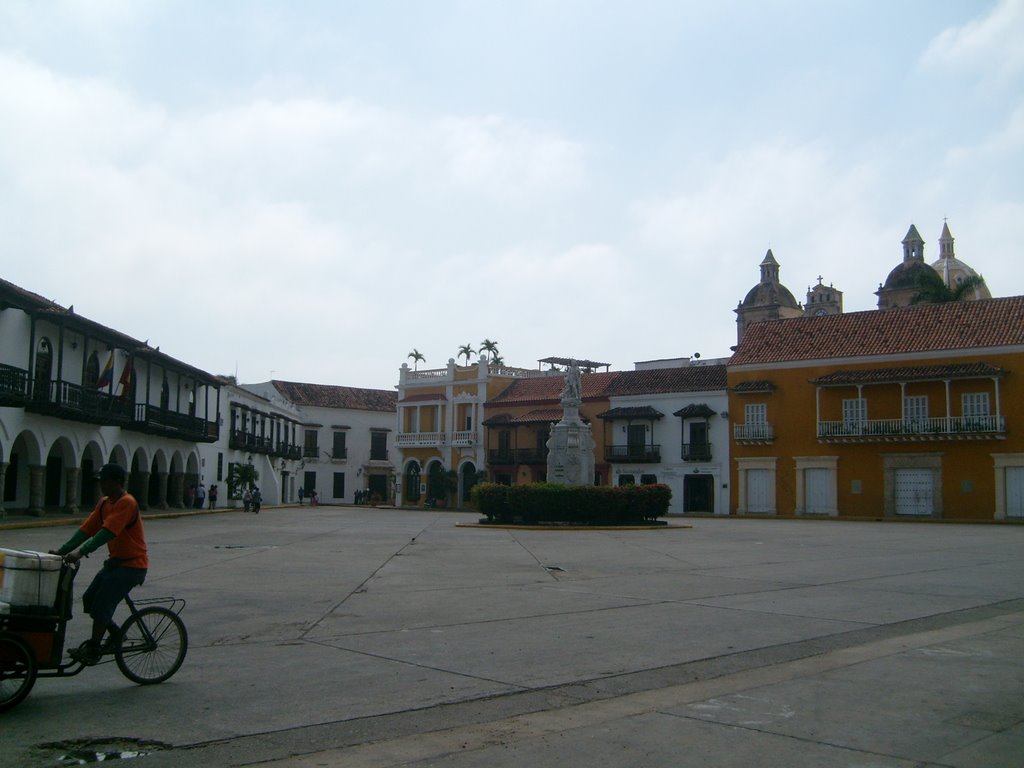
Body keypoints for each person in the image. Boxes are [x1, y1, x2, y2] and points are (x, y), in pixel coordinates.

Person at [52, 463, 147, 666]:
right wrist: (63, 550)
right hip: (116, 564)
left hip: (132, 565)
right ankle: (117, 634)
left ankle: (94, 648)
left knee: (103, 603)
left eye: (105, 481)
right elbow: (88, 529)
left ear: (118, 482)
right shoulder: (105, 503)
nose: (102, 485)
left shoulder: (127, 502)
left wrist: (80, 552)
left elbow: (108, 532)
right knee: (89, 599)